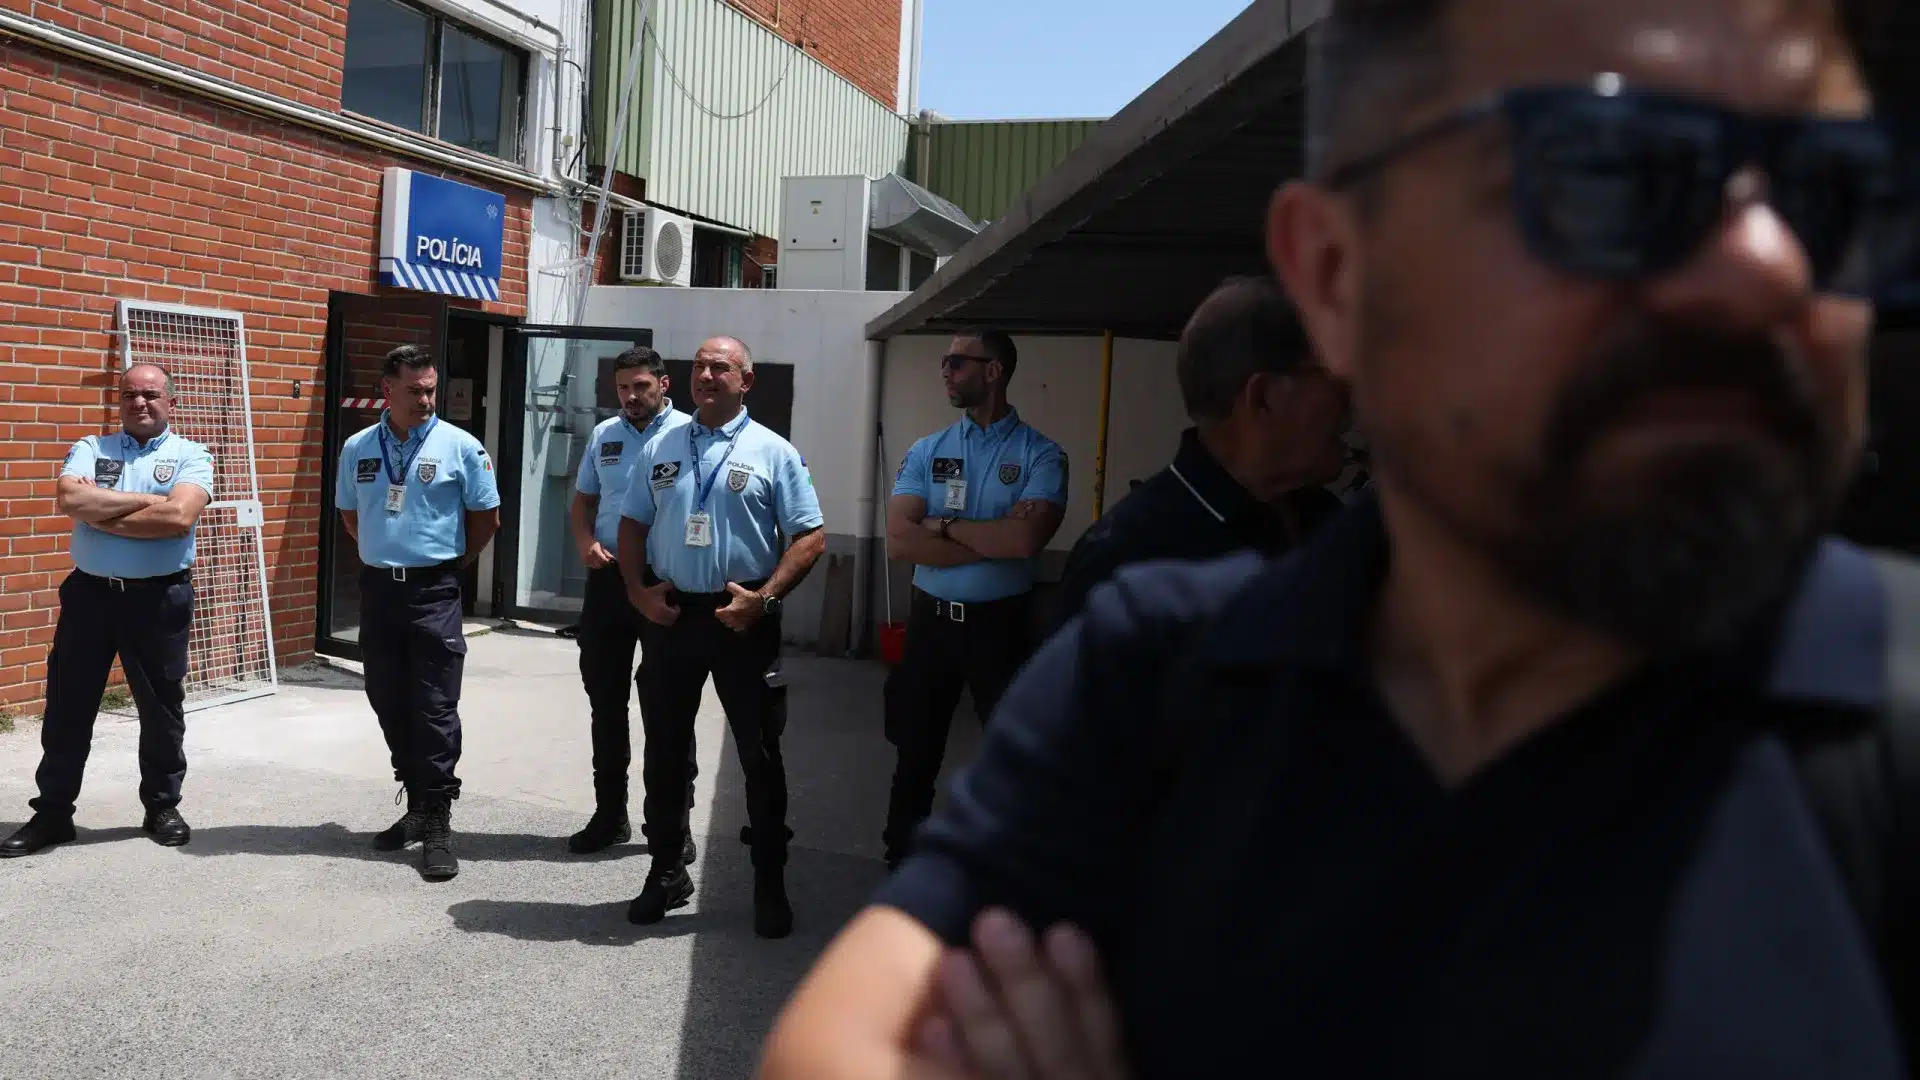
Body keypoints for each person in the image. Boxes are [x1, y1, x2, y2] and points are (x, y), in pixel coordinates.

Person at [760, 0, 1920, 1075]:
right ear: (1335, 272)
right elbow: (847, 1039)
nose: (1774, 267)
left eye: (1835, 193)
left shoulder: (1885, 720)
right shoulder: (1168, 672)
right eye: (1622, 173)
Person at [617, 336, 825, 938]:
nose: (706, 375)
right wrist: (637, 591)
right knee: (664, 748)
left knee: (759, 756)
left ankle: (768, 882)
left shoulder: (773, 451)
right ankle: (665, 870)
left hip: (743, 620)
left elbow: (809, 536)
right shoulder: (662, 444)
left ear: (746, 380)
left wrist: (764, 600)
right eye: (701, 366)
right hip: (674, 617)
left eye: (721, 367)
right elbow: (632, 523)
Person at [1048, 276, 1349, 631]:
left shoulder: (1332, 525)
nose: (1353, 398)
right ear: (1263, 397)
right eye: (1336, 374)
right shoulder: (1125, 561)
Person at [0, 363, 214, 857]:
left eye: (151, 395)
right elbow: (69, 496)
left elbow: (179, 516)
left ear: (171, 403)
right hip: (90, 595)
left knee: (161, 708)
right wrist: (144, 503)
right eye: (130, 395)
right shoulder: (92, 448)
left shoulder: (193, 455)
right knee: (68, 706)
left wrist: (102, 514)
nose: (140, 403)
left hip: (158, 599)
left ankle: (161, 805)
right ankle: (53, 813)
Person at [881, 330, 1068, 870]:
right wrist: (988, 540)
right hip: (930, 624)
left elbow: (1025, 541)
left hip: (999, 627)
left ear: (994, 371)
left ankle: (1011, 866)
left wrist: (941, 527)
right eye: (944, 362)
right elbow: (899, 541)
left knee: (1013, 753)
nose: (945, 371)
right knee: (915, 750)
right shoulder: (927, 449)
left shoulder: (1041, 454)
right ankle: (902, 859)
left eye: (957, 362)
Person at [335, 345, 500, 882]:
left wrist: (447, 564)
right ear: (388, 390)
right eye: (416, 390)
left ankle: (437, 822)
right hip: (380, 589)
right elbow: (351, 515)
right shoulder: (359, 446)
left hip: (434, 591)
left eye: (431, 389)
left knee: (433, 705)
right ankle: (416, 804)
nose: (427, 399)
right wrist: (388, 555)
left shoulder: (462, 447)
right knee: (387, 697)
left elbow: (486, 518)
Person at [566, 345, 699, 860]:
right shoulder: (606, 435)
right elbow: (583, 501)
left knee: (668, 708)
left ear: (663, 384)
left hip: (664, 582)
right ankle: (610, 815)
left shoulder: (689, 435)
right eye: (623, 387)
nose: (631, 396)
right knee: (606, 702)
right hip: (608, 585)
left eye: (641, 385)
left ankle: (673, 823)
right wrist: (583, 543)